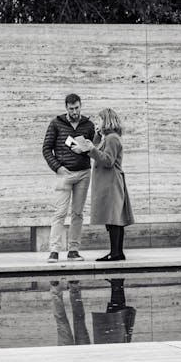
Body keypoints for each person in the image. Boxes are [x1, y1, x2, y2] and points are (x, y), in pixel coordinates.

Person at [74, 108, 134, 261]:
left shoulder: (112, 138)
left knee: (113, 219)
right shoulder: (107, 138)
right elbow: (95, 151)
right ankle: (117, 253)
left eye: (99, 120)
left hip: (111, 182)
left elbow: (108, 160)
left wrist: (92, 149)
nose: (97, 123)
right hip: (109, 182)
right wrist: (95, 138)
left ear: (106, 121)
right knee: (114, 219)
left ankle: (115, 253)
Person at [42, 94, 95, 263]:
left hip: (84, 173)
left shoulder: (88, 124)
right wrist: (57, 167)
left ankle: (73, 250)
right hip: (64, 174)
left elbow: (94, 148)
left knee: (78, 213)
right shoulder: (56, 123)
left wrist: (88, 147)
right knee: (60, 212)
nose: (74, 111)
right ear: (66, 108)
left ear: (81, 106)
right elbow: (46, 149)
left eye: (77, 108)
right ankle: (54, 251)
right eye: (71, 108)